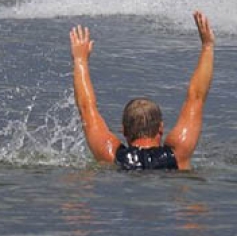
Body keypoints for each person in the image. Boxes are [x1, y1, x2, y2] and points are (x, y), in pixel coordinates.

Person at [69, 11, 215, 171]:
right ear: (161, 128)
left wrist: (80, 59)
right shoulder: (178, 154)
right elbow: (196, 97)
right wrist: (207, 46)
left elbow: (86, 107)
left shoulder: (111, 155)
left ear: (123, 130)